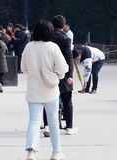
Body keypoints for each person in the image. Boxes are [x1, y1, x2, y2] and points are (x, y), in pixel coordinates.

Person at [21, 20, 69, 160]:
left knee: (34, 121)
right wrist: (57, 76)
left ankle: (31, 151)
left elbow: (23, 68)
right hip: (51, 89)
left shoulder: (29, 47)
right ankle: (56, 152)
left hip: (33, 89)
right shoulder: (53, 47)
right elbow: (62, 68)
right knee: (53, 121)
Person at [43, 15, 76, 136]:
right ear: (63, 25)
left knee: (47, 99)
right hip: (63, 73)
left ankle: (47, 126)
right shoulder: (65, 38)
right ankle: (69, 127)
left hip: (48, 72)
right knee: (67, 100)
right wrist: (70, 75)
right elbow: (69, 58)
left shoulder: (47, 38)